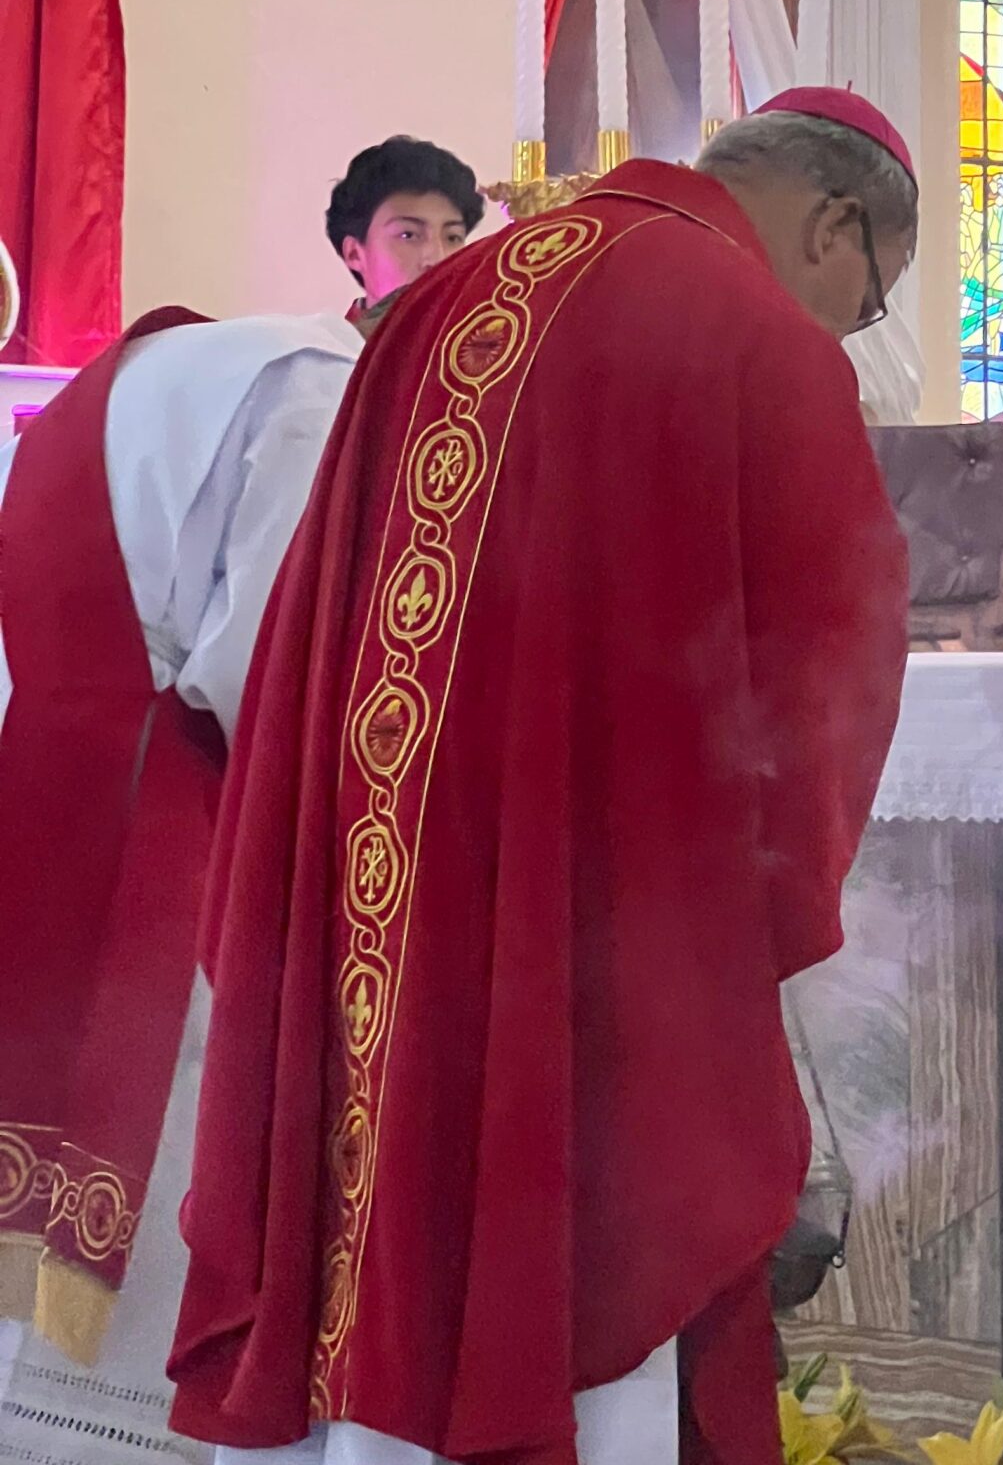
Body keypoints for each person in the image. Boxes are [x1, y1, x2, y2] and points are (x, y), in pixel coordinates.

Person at [168, 88, 916, 1465]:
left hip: (371, 896)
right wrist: (757, 911)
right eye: (871, 299)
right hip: (579, 938)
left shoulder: (444, 299)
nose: (848, 329)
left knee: (375, 1242)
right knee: (566, 1273)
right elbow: (827, 674)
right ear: (836, 227)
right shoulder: (763, 344)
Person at [0, 148, 478, 1460]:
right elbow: (273, 658)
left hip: (53, 774)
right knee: (167, 1161)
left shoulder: (214, 354)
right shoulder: (324, 392)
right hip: (174, 816)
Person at [326, 138, 486, 314]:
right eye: (408, 235)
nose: (437, 260)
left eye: (453, 237)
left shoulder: (484, 337)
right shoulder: (322, 341)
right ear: (354, 254)